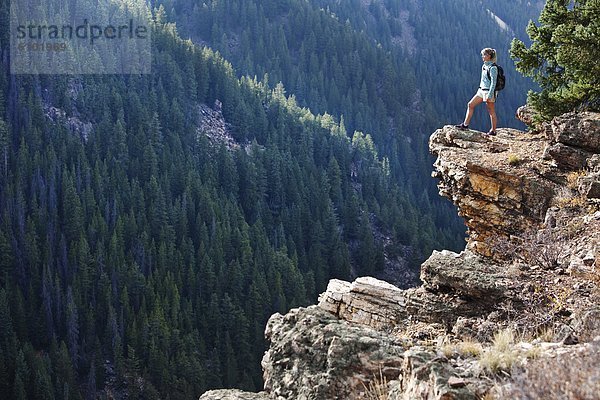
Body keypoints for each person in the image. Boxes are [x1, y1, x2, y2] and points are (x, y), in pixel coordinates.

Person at [456, 48, 499, 135]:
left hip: (488, 92)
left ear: (489, 56)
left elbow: (493, 82)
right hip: (481, 90)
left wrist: (490, 94)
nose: (482, 56)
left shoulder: (493, 68)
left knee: (491, 111)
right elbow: (483, 80)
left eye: (484, 55)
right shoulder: (484, 66)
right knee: (470, 105)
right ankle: (465, 125)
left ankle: (493, 131)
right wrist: (480, 89)